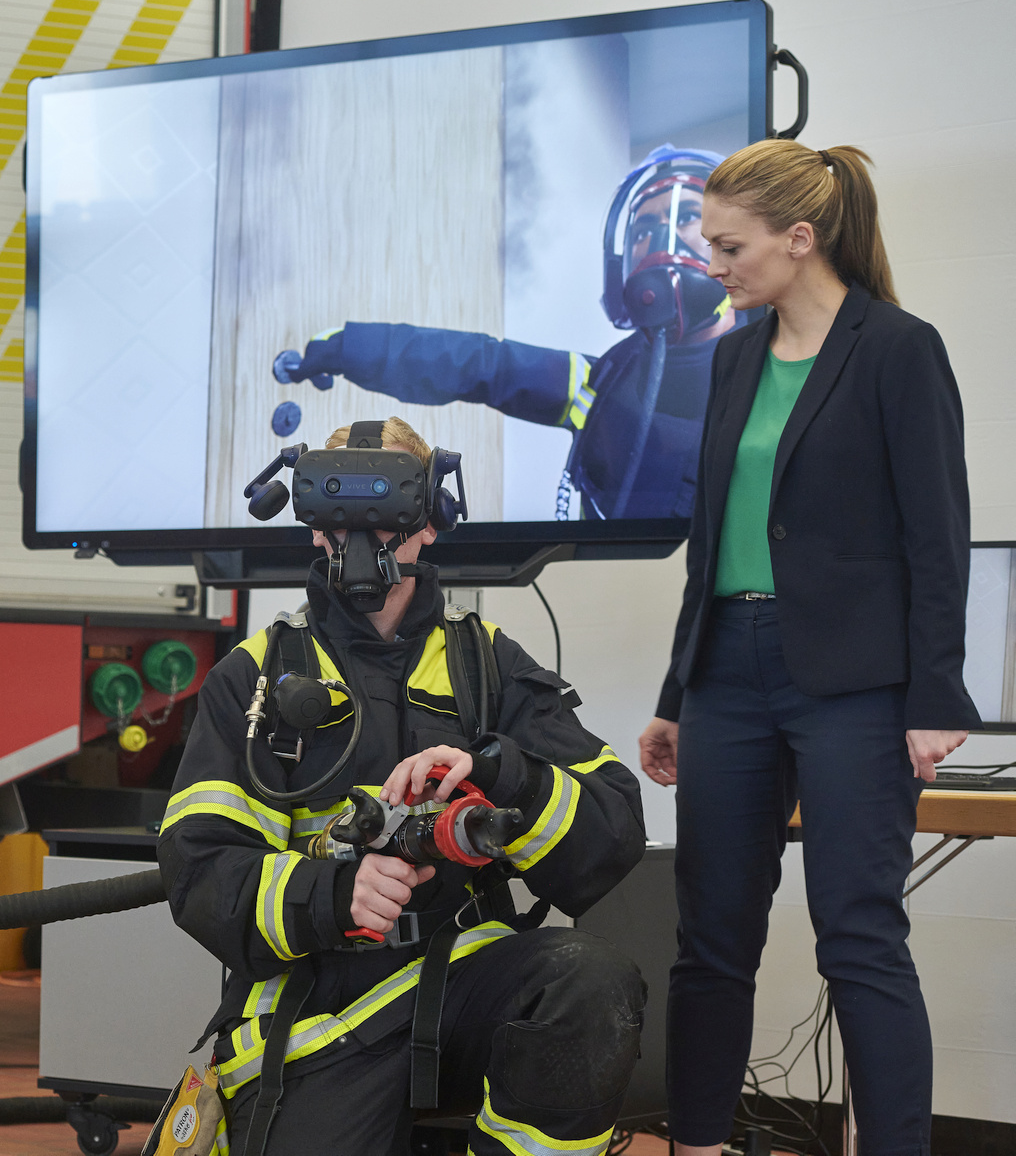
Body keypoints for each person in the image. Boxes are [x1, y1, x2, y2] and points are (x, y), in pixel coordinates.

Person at [159, 417, 648, 1156]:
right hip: (319, 1011)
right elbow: (198, 871)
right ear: (311, 525)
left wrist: (501, 771)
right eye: (334, 515)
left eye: (385, 515)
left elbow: (614, 826)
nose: (357, 542)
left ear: (430, 524)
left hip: (463, 976)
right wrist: (333, 895)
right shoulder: (254, 679)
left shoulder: (489, 668)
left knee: (588, 981)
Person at [635, 140, 977, 1156]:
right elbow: (714, 539)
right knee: (711, 944)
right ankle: (696, 1145)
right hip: (727, 670)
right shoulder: (734, 355)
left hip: (854, 687)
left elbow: (936, 535)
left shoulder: (898, 349)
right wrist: (675, 690)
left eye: (729, 245)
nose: (712, 263)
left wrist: (936, 696)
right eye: (706, 243)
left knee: (860, 939)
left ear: (800, 238)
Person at [280, 146, 740, 520]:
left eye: (684, 218)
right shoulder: (602, 384)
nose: (660, 238)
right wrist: (349, 347)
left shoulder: (771, 370)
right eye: (645, 227)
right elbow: (479, 363)